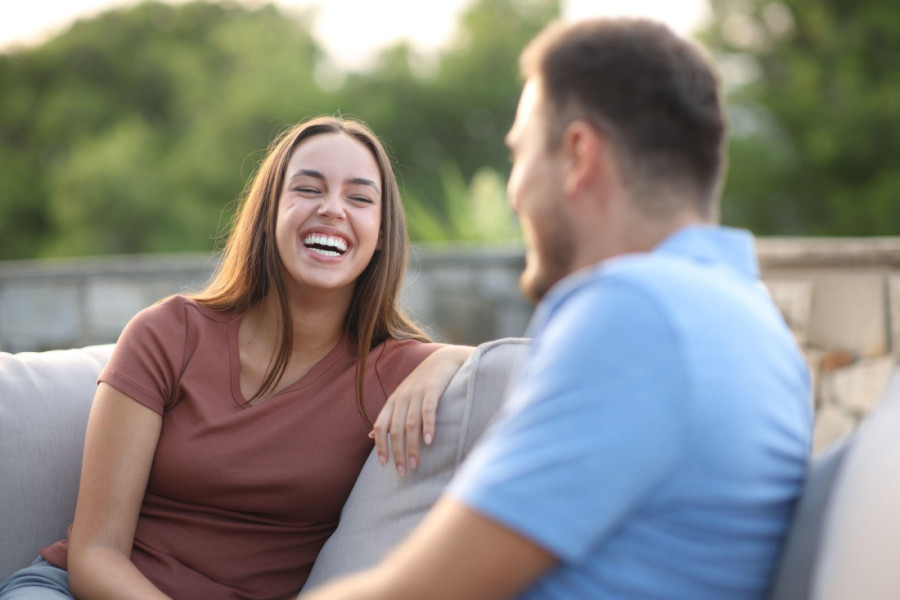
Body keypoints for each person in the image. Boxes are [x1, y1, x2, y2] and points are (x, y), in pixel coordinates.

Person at [303, 17, 812, 600]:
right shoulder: (754, 321)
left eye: (519, 155)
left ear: (577, 154)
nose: (514, 189)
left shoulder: (636, 314)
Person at [0, 116, 473, 599]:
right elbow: (95, 554)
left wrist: (449, 360)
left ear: (381, 233)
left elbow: (519, 370)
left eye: (359, 197)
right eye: (308, 189)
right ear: (268, 212)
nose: (333, 209)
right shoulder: (168, 334)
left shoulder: (397, 370)